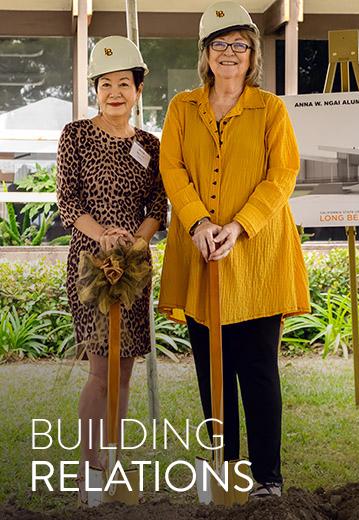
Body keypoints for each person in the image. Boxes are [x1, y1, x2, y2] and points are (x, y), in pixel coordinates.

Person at [159, 1, 310, 499]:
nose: (229, 53)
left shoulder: (271, 110)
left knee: (259, 371)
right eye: (219, 44)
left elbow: (282, 174)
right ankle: (225, 470)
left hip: (258, 255)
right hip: (201, 252)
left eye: (239, 45)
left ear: (252, 55)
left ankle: (268, 478)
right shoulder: (182, 107)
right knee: (212, 371)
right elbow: (173, 169)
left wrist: (239, 226)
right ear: (205, 53)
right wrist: (200, 221)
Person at [56, 36, 167, 503]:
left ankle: (115, 463)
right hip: (91, 264)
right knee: (101, 372)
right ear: (95, 90)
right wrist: (102, 234)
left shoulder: (149, 144)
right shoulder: (76, 134)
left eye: (125, 83)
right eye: (106, 84)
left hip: (134, 267)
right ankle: (90, 470)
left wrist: (138, 240)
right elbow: (67, 200)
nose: (115, 92)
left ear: (139, 90)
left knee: (124, 372)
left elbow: (159, 202)